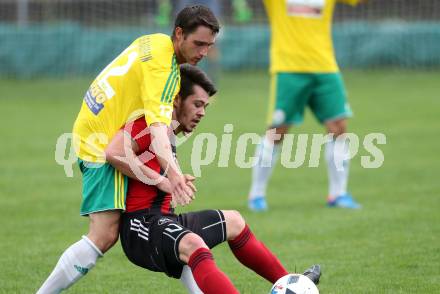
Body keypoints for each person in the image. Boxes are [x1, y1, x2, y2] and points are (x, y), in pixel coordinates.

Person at [37, 6, 220, 293]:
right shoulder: (164, 70)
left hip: (98, 127)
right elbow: (158, 131)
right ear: (179, 34)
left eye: (209, 45)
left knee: (169, 225)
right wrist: (171, 176)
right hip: (101, 143)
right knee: (104, 234)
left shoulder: (155, 41)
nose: (204, 52)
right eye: (198, 44)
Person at [105, 64, 321, 293]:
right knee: (194, 245)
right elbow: (114, 152)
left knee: (235, 221)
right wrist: (161, 181)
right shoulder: (150, 123)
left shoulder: (170, 129)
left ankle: (291, 283)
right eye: (197, 104)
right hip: (141, 227)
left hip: (165, 220)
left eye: (205, 107)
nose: (202, 113)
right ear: (177, 100)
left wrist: (173, 180)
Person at [248, 0, 364, 212]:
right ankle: (256, 195)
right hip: (288, 68)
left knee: (339, 126)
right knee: (277, 131)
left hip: (325, 66)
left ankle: (338, 194)